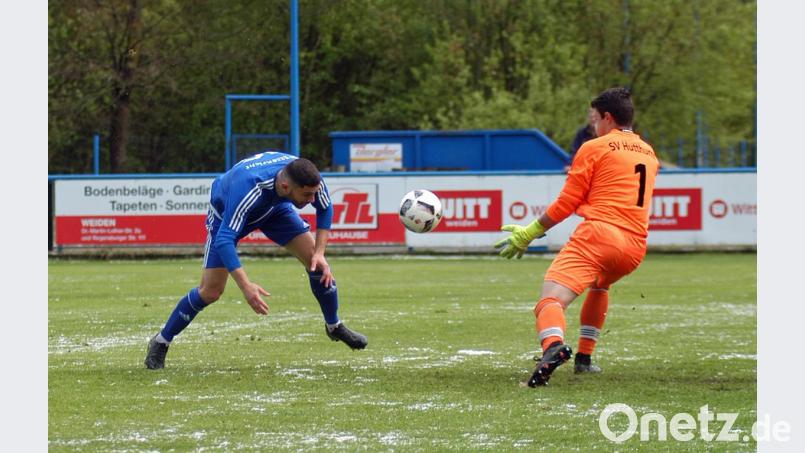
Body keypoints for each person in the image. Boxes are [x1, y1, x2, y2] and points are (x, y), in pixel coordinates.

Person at [494, 87, 658, 387]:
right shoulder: (648, 152)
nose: (593, 126)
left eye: (595, 119)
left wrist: (530, 232)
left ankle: (553, 346)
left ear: (607, 118)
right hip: (634, 247)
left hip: (600, 236)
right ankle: (584, 359)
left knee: (550, 300)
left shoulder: (594, 147)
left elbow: (566, 203)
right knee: (600, 284)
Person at [144, 151, 368, 370]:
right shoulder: (250, 187)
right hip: (226, 216)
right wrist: (246, 286)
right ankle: (161, 341)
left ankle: (333, 325)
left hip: (275, 210)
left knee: (316, 264)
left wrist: (319, 252)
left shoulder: (306, 177)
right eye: (307, 196)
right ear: (285, 187)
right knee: (211, 291)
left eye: (313, 194)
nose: (312, 200)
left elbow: (325, 207)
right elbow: (225, 239)